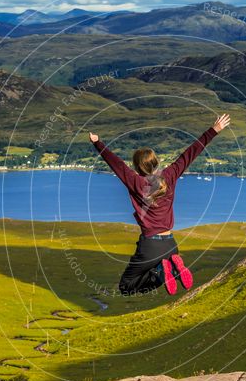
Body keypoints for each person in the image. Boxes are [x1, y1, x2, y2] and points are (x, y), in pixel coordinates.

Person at [89, 114, 231, 295]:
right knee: (153, 270)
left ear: (137, 167)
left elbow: (115, 163)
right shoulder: (170, 175)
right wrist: (214, 130)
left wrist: (97, 142)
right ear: (156, 162)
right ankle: (170, 267)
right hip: (171, 244)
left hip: (150, 245)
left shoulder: (136, 182)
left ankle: (162, 274)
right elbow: (190, 154)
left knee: (126, 287)